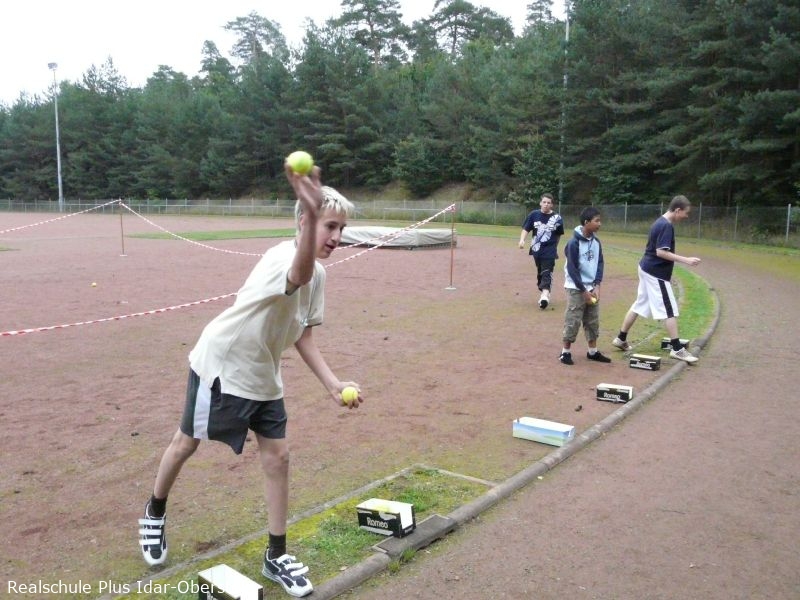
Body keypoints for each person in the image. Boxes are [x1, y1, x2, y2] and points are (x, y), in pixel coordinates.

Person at [137, 163, 362, 598]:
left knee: (279, 457)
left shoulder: (319, 274)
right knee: (186, 443)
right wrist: (311, 215)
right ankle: (154, 510)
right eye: (329, 226)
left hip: (262, 372)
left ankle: (276, 555)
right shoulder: (282, 260)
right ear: (304, 222)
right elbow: (296, 275)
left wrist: (333, 384)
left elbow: (303, 333)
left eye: (341, 228)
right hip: (221, 366)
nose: (337, 237)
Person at [612, 195, 701, 364]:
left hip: (646, 268)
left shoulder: (659, 222)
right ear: (677, 210)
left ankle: (621, 338)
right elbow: (661, 252)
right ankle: (677, 349)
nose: (686, 216)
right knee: (669, 309)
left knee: (640, 304)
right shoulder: (666, 226)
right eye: (685, 213)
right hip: (655, 273)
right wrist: (686, 260)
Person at [560, 206, 611, 365]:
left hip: (591, 287)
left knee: (592, 320)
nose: (599, 224)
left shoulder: (596, 242)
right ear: (586, 222)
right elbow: (572, 268)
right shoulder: (574, 243)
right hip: (576, 287)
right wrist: (583, 290)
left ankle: (592, 352)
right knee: (573, 318)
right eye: (597, 221)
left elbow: (600, 262)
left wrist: (597, 285)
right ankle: (565, 352)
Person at [518, 193, 564, 309]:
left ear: (552, 205)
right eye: (544, 202)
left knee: (547, 271)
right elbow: (526, 229)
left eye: (549, 203)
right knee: (541, 273)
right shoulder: (534, 215)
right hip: (536, 249)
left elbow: (558, 234)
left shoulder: (557, 218)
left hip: (550, 250)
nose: (546, 204)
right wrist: (522, 240)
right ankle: (545, 291)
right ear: (540, 203)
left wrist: (555, 247)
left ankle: (544, 296)